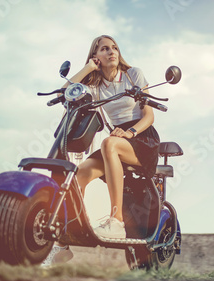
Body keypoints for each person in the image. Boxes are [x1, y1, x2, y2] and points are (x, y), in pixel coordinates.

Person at [42, 34, 160, 266]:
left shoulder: (133, 74)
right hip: (116, 141)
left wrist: (131, 132)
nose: (111, 52)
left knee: (109, 143)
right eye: (104, 49)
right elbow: (64, 93)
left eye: (114, 47)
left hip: (141, 138)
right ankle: (62, 242)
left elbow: (149, 115)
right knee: (79, 175)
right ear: (96, 56)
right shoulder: (94, 85)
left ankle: (116, 220)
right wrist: (87, 69)